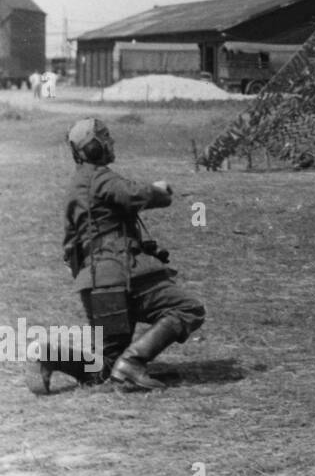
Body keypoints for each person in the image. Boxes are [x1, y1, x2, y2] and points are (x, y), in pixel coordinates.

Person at [27, 118, 205, 394]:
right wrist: (160, 192)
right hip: (122, 274)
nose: (112, 144)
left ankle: (52, 356)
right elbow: (131, 194)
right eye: (106, 139)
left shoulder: (77, 184)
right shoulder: (99, 175)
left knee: (106, 370)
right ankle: (134, 362)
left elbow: (69, 246)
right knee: (189, 309)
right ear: (95, 148)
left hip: (94, 284)